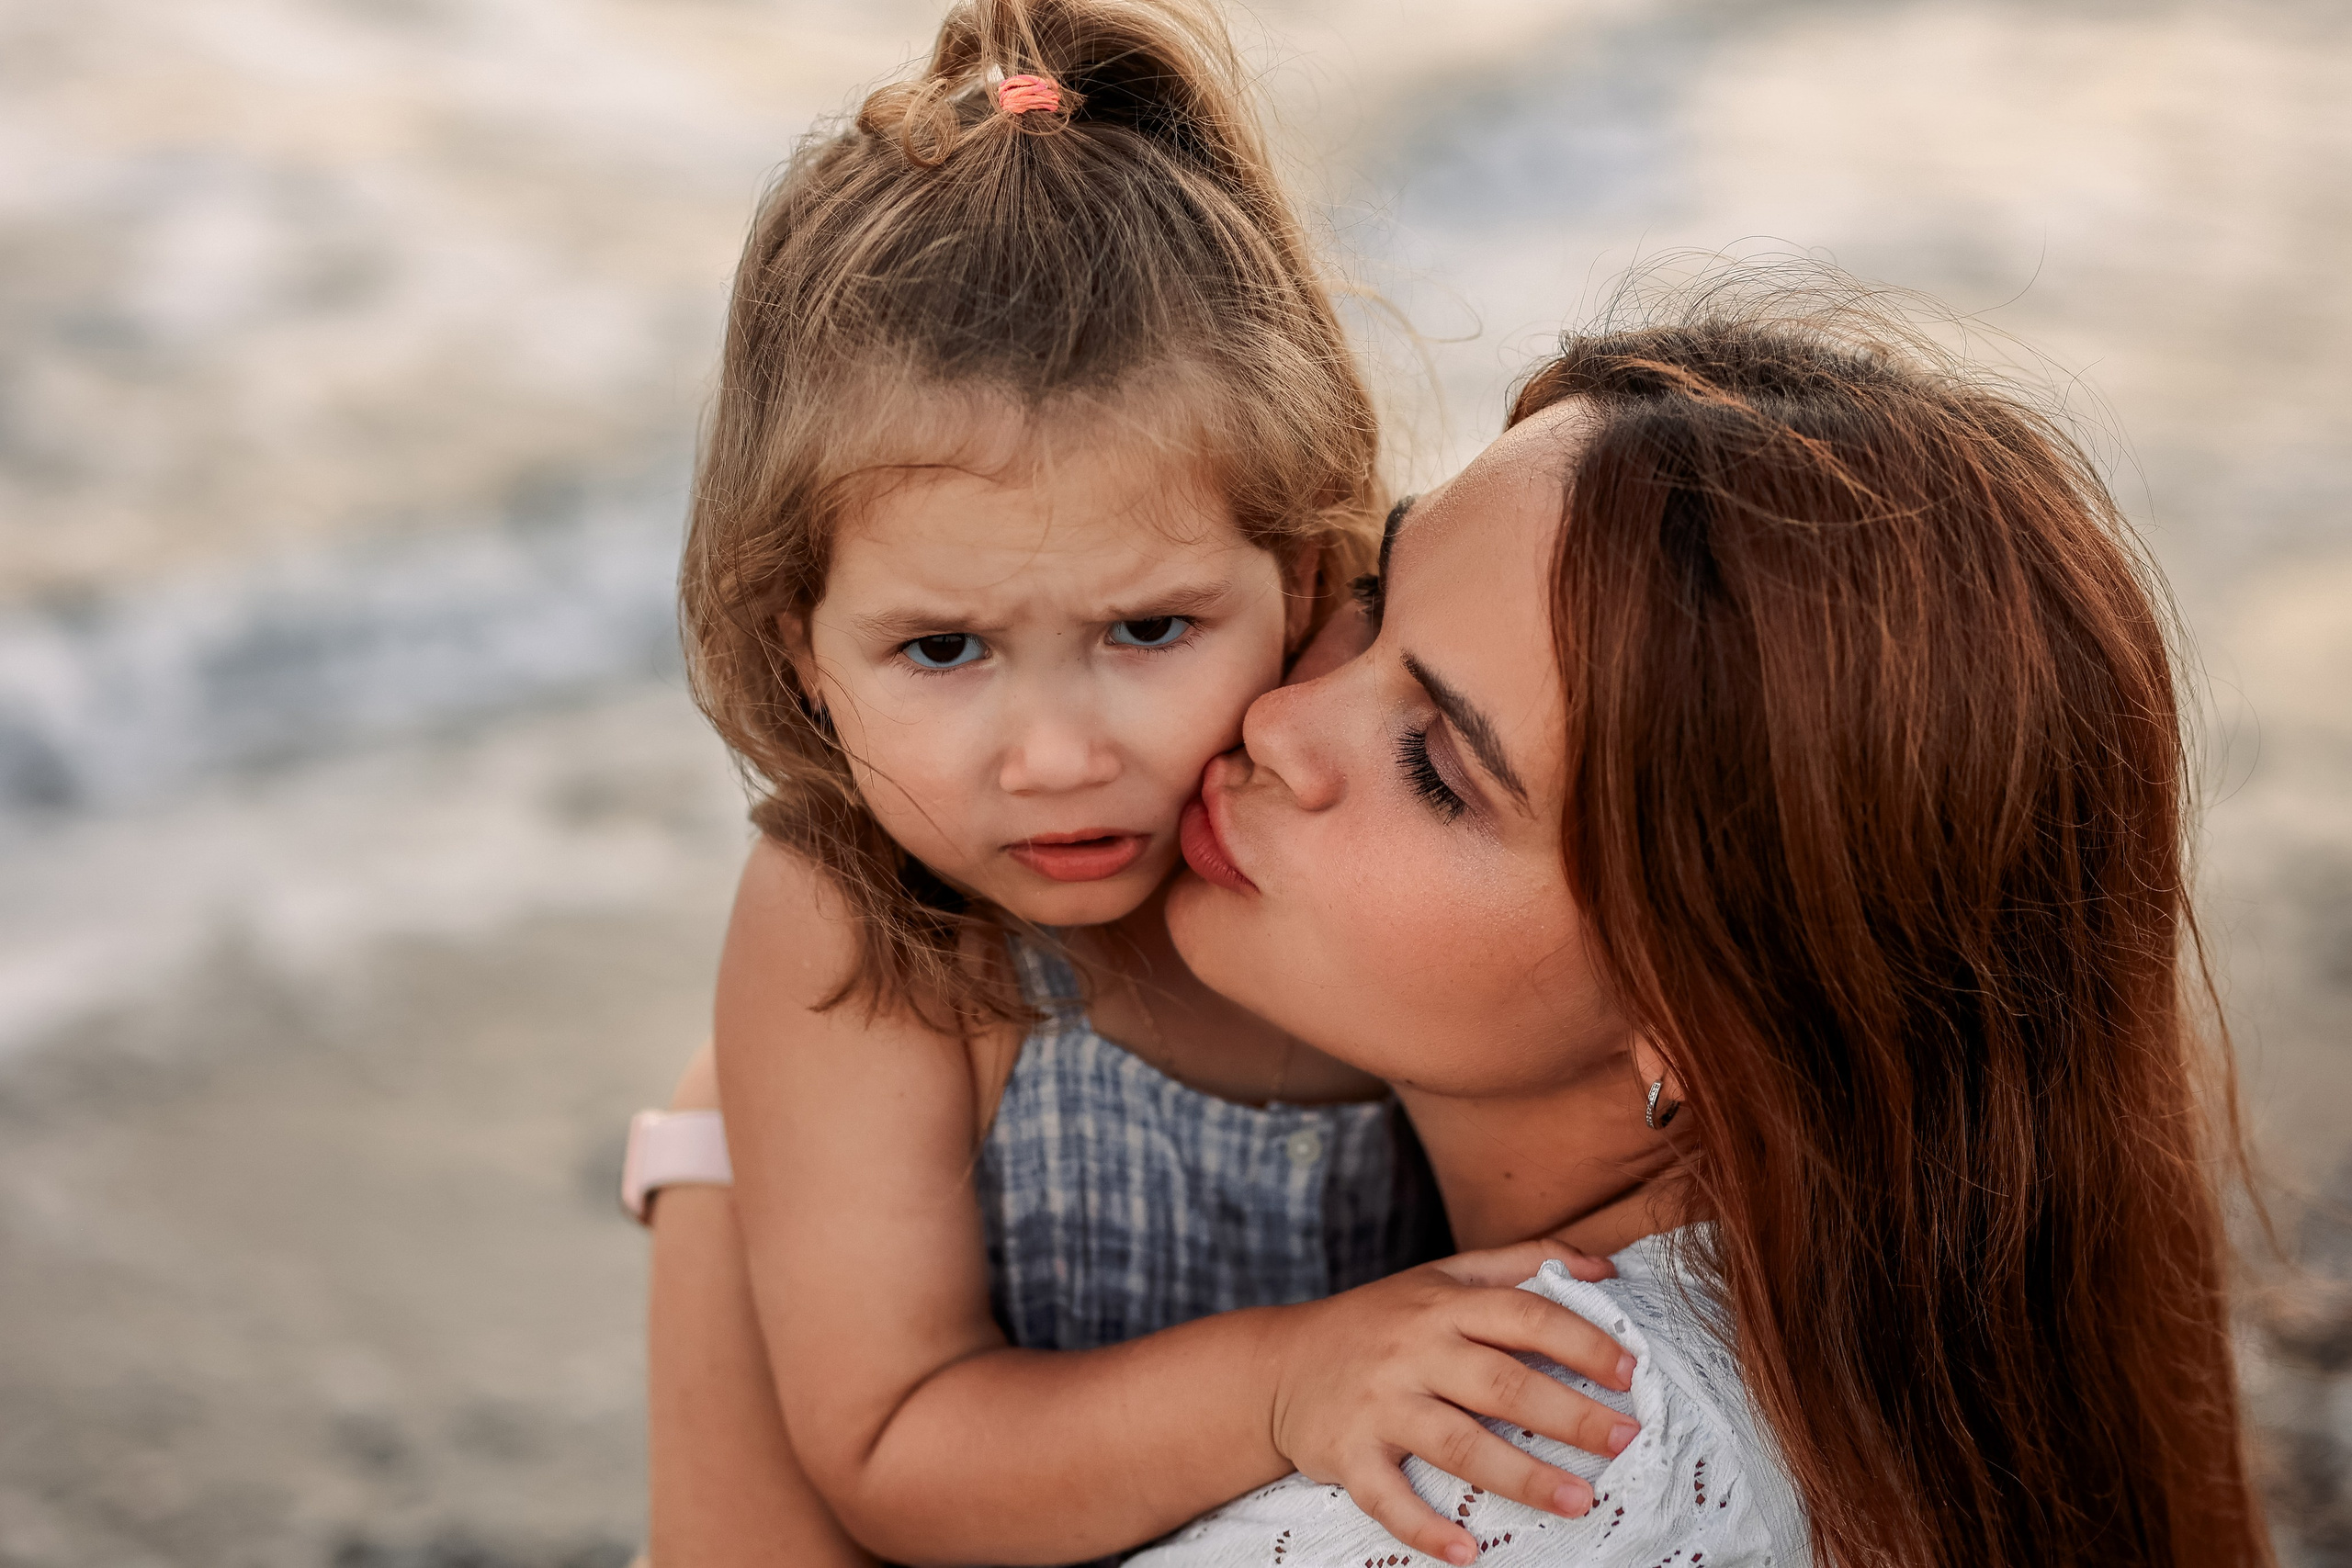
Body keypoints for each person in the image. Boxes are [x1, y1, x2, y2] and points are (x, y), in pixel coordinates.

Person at [634, 3, 1642, 1565]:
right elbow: (895, 1446)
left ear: (1306, 583)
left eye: (1149, 628)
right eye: (944, 650)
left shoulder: (1360, 880)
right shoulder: (873, 935)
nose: (1055, 756)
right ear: (806, 651)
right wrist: (1287, 1382)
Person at [1136, 303, 2275, 1568]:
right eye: (1369, 594)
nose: (1282, 720)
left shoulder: (1525, 1467)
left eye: (1440, 767)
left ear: (1700, 1014)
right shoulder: (1879, 1362)